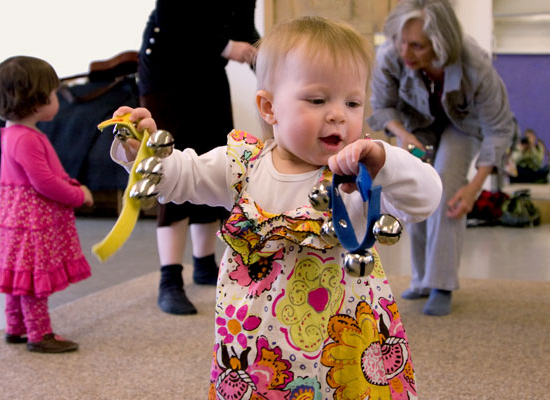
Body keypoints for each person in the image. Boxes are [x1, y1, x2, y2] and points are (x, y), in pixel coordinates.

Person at [112, 16, 442, 399]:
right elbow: (177, 178)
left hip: (347, 354)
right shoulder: (241, 164)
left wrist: (385, 159)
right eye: (318, 100)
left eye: (352, 102)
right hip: (257, 357)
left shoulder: (359, 173)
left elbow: (426, 198)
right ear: (269, 108)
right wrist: (142, 152)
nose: (338, 114)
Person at [368, 0, 517, 316]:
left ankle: (441, 283)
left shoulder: (474, 62)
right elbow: (382, 106)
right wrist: (401, 135)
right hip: (414, 127)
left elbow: (498, 128)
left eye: (417, 46)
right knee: (415, 190)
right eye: (402, 42)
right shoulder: (392, 55)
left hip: (462, 127)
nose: (406, 52)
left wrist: (474, 188)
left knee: (447, 188)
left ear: (440, 44)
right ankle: (422, 279)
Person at [137, 1, 260, 315]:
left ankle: (205, 264)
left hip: (207, 70)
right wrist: (227, 46)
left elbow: (244, 30)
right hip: (167, 72)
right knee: (172, 165)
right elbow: (173, 16)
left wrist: (271, 65)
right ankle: (170, 278)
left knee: (215, 159)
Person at [0, 56, 94, 353]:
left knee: (19, 275)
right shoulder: (27, 139)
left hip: (18, 220)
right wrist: (79, 196)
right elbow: (45, 183)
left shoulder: (12, 131)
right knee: (34, 279)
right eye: (53, 94)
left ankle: (16, 327)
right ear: (35, 101)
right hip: (32, 223)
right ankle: (39, 334)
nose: (56, 99)